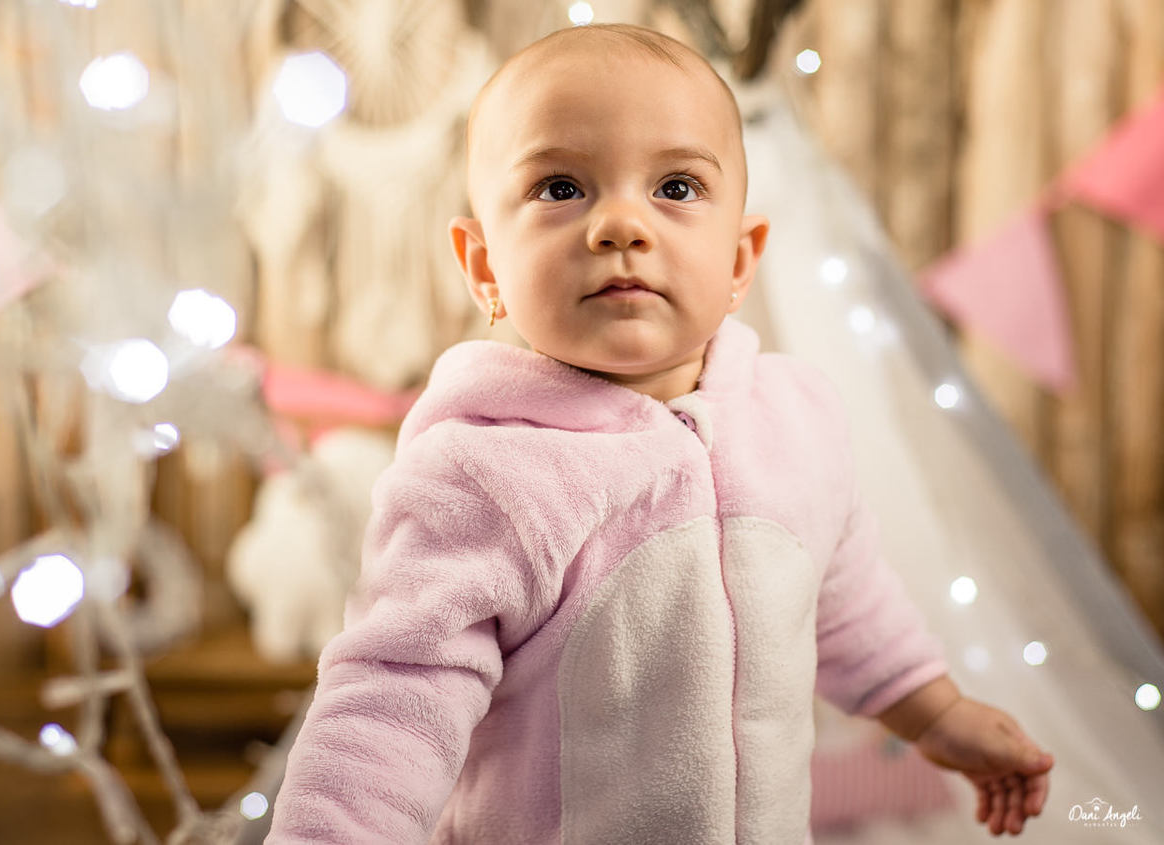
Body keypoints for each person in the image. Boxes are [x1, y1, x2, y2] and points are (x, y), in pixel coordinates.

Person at [266, 23, 1054, 844]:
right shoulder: (482, 473)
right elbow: (391, 706)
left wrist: (936, 713)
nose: (620, 225)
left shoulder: (796, 419)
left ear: (740, 261)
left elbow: (847, 600)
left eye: (675, 187)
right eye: (560, 187)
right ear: (485, 266)